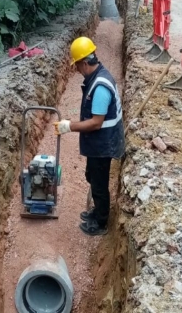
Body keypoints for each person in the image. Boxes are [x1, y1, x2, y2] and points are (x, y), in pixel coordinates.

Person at [53, 37, 125, 236]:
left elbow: (96, 122)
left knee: (100, 185)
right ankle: (97, 212)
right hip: (99, 143)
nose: (76, 69)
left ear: (85, 63)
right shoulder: (96, 78)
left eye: (77, 65)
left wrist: (69, 126)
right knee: (92, 177)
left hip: (104, 145)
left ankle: (101, 223)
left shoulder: (100, 87)